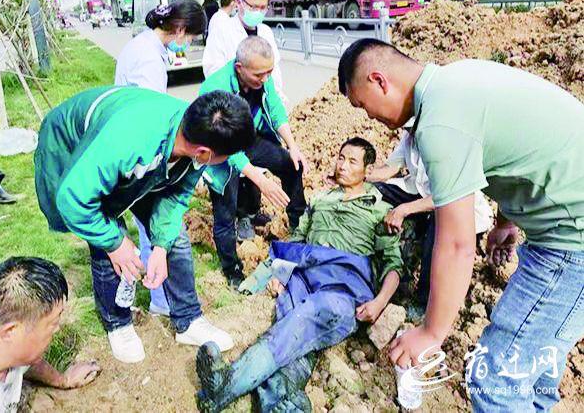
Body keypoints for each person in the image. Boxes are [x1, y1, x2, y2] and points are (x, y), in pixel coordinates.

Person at [337, 38, 584, 411]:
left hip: (572, 240)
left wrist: (432, 332)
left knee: (496, 380)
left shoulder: (439, 121)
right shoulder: (456, 81)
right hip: (565, 225)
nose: (370, 117)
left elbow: (456, 243)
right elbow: (512, 154)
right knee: (532, 372)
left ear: (378, 80)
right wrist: (505, 221)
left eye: (362, 105)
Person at [34, 86, 255, 364]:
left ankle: (188, 319)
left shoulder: (195, 136)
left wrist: (160, 247)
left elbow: (176, 196)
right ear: (204, 153)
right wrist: (115, 244)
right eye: (227, 157)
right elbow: (73, 199)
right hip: (72, 141)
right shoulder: (127, 142)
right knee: (108, 233)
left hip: (140, 153)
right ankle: (119, 324)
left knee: (174, 236)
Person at [195, 137, 403, 413]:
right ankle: (279, 402)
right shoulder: (319, 200)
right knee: (292, 329)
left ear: (368, 169)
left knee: (305, 318)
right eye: (341, 157)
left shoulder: (381, 210)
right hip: (302, 279)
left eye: (352, 161)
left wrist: (379, 303)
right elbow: (297, 240)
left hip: (342, 288)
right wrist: (279, 274)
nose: (342, 165)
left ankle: (226, 386)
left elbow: (393, 265)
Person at [114, 0, 207, 317]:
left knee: (149, 230)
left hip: (130, 150)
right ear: (180, 29)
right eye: (191, 37)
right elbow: (153, 119)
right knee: (161, 232)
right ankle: (162, 301)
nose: (189, 44)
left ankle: (159, 300)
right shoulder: (150, 60)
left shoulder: (140, 45)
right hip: (139, 157)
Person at [199, 36, 307, 287]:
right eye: (260, 74)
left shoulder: (262, 80)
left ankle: (299, 226)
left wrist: (293, 146)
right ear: (240, 69)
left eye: (269, 72)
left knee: (292, 165)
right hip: (220, 150)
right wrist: (261, 180)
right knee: (225, 212)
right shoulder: (214, 89)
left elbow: (276, 107)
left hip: (251, 138)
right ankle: (232, 270)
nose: (265, 79)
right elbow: (225, 146)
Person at [368, 117, 493, 310]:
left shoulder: (442, 142)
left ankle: (424, 300)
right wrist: (356, 176)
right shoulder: (409, 137)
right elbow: (389, 169)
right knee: (375, 191)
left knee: (439, 236)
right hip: (423, 194)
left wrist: (404, 209)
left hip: (456, 206)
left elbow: (446, 195)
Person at [0, 257, 100, 413]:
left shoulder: (7, 351)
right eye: (52, 323)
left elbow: (29, 363)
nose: (58, 329)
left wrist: (63, 380)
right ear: (11, 332)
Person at [202, 0, 284, 100]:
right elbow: (212, 70)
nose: (258, 12)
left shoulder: (266, 31)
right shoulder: (222, 31)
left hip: (264, 99)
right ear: (239, 3)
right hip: (233, 102)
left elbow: (275, 69)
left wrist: (276, 96)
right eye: (253, 7)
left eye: (263, 8)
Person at [115, 0, 206, 93]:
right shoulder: (150, 58)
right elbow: (152, 104)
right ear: (180, 30)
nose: (189, 43)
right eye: (192, 39)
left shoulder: (143, 42)